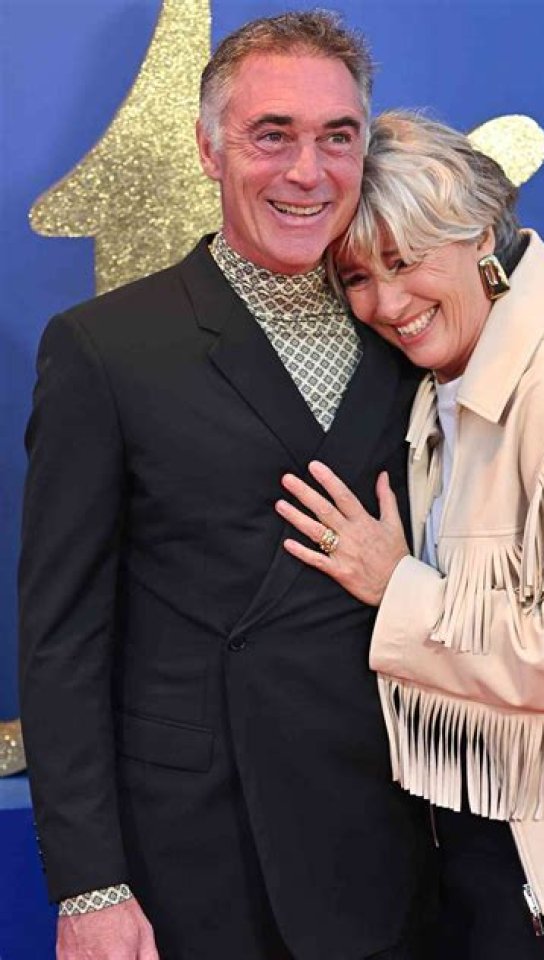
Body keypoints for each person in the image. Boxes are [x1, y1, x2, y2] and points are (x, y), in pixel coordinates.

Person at [18, 19, 437, 960]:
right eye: (272, 135)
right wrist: (89, 885)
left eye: (338, 137)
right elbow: (62, 638)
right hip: (196, 856)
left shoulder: (413, 333)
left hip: (395, 844)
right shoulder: (106, 349)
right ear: (210, 149)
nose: (308, 172)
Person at [276, 110, 544, 960]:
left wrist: (397, 590)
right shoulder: (440, 383)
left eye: (406, 260)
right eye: (357, 276)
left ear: (479, 236)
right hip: (471, 842)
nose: (387, 304)